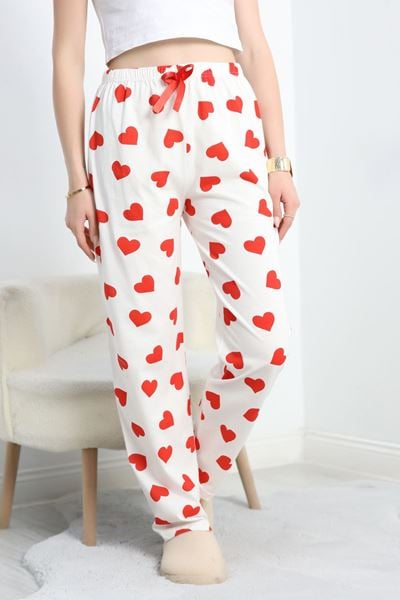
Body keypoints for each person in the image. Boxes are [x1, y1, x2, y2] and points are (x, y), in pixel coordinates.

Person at [52, 0, 300, 586]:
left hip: (226, 111)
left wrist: (279, 160)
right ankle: (182, 519)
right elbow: (67, 56)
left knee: (265, 340)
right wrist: (76, 184)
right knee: (144, 334)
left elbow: (255, 44)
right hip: (128, 120)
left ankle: (196, 478)